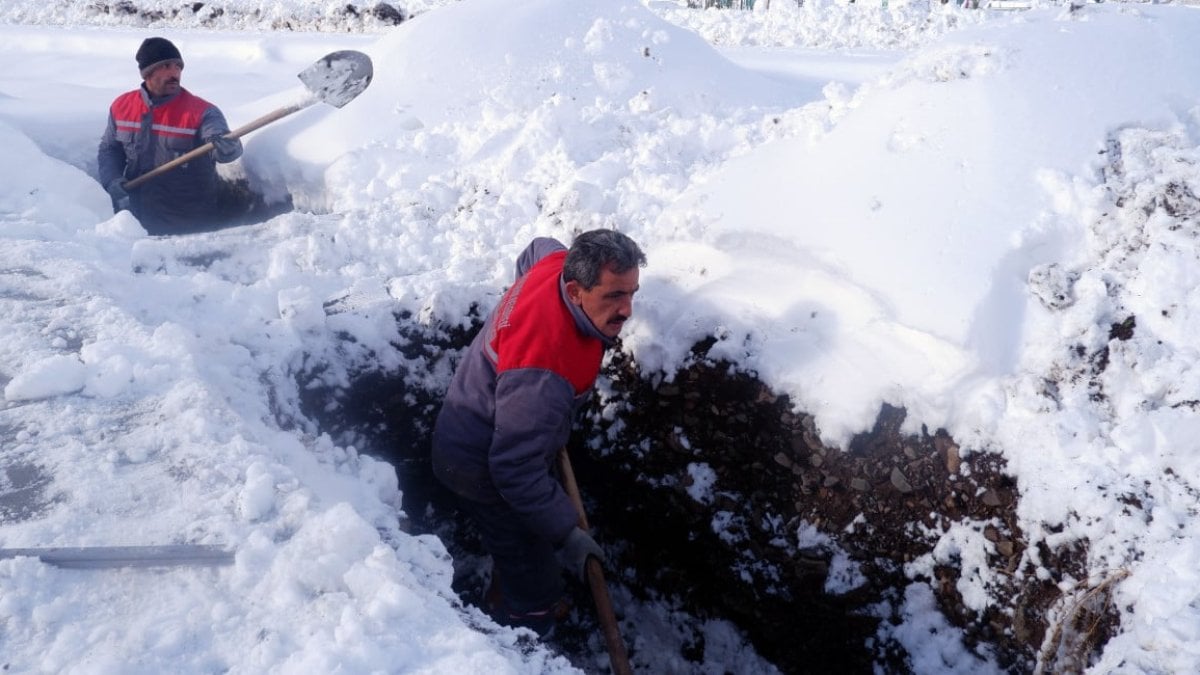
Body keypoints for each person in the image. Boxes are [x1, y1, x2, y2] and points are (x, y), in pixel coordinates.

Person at [432, 228, 646, 635]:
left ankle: (505, 584)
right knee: (532, 568)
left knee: (526, 528)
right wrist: (568, 534)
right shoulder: (544, 371)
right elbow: (514, 470)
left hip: (501, 423)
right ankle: (526, 631)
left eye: (632, 292)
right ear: (575, 290)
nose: (628, 309)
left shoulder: (554, 264)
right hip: (476, 465)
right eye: (615, 296)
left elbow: (535, 247)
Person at [97, 37, 243, 235]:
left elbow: (220, 139)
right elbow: (110, 149)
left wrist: (228, 147)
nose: (175, 73)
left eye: (178, 67)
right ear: (148, 72)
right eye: (167, 66)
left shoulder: (202, 112)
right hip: (136, 222)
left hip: (191, 225)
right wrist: (112, 179)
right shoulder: (121, 107)